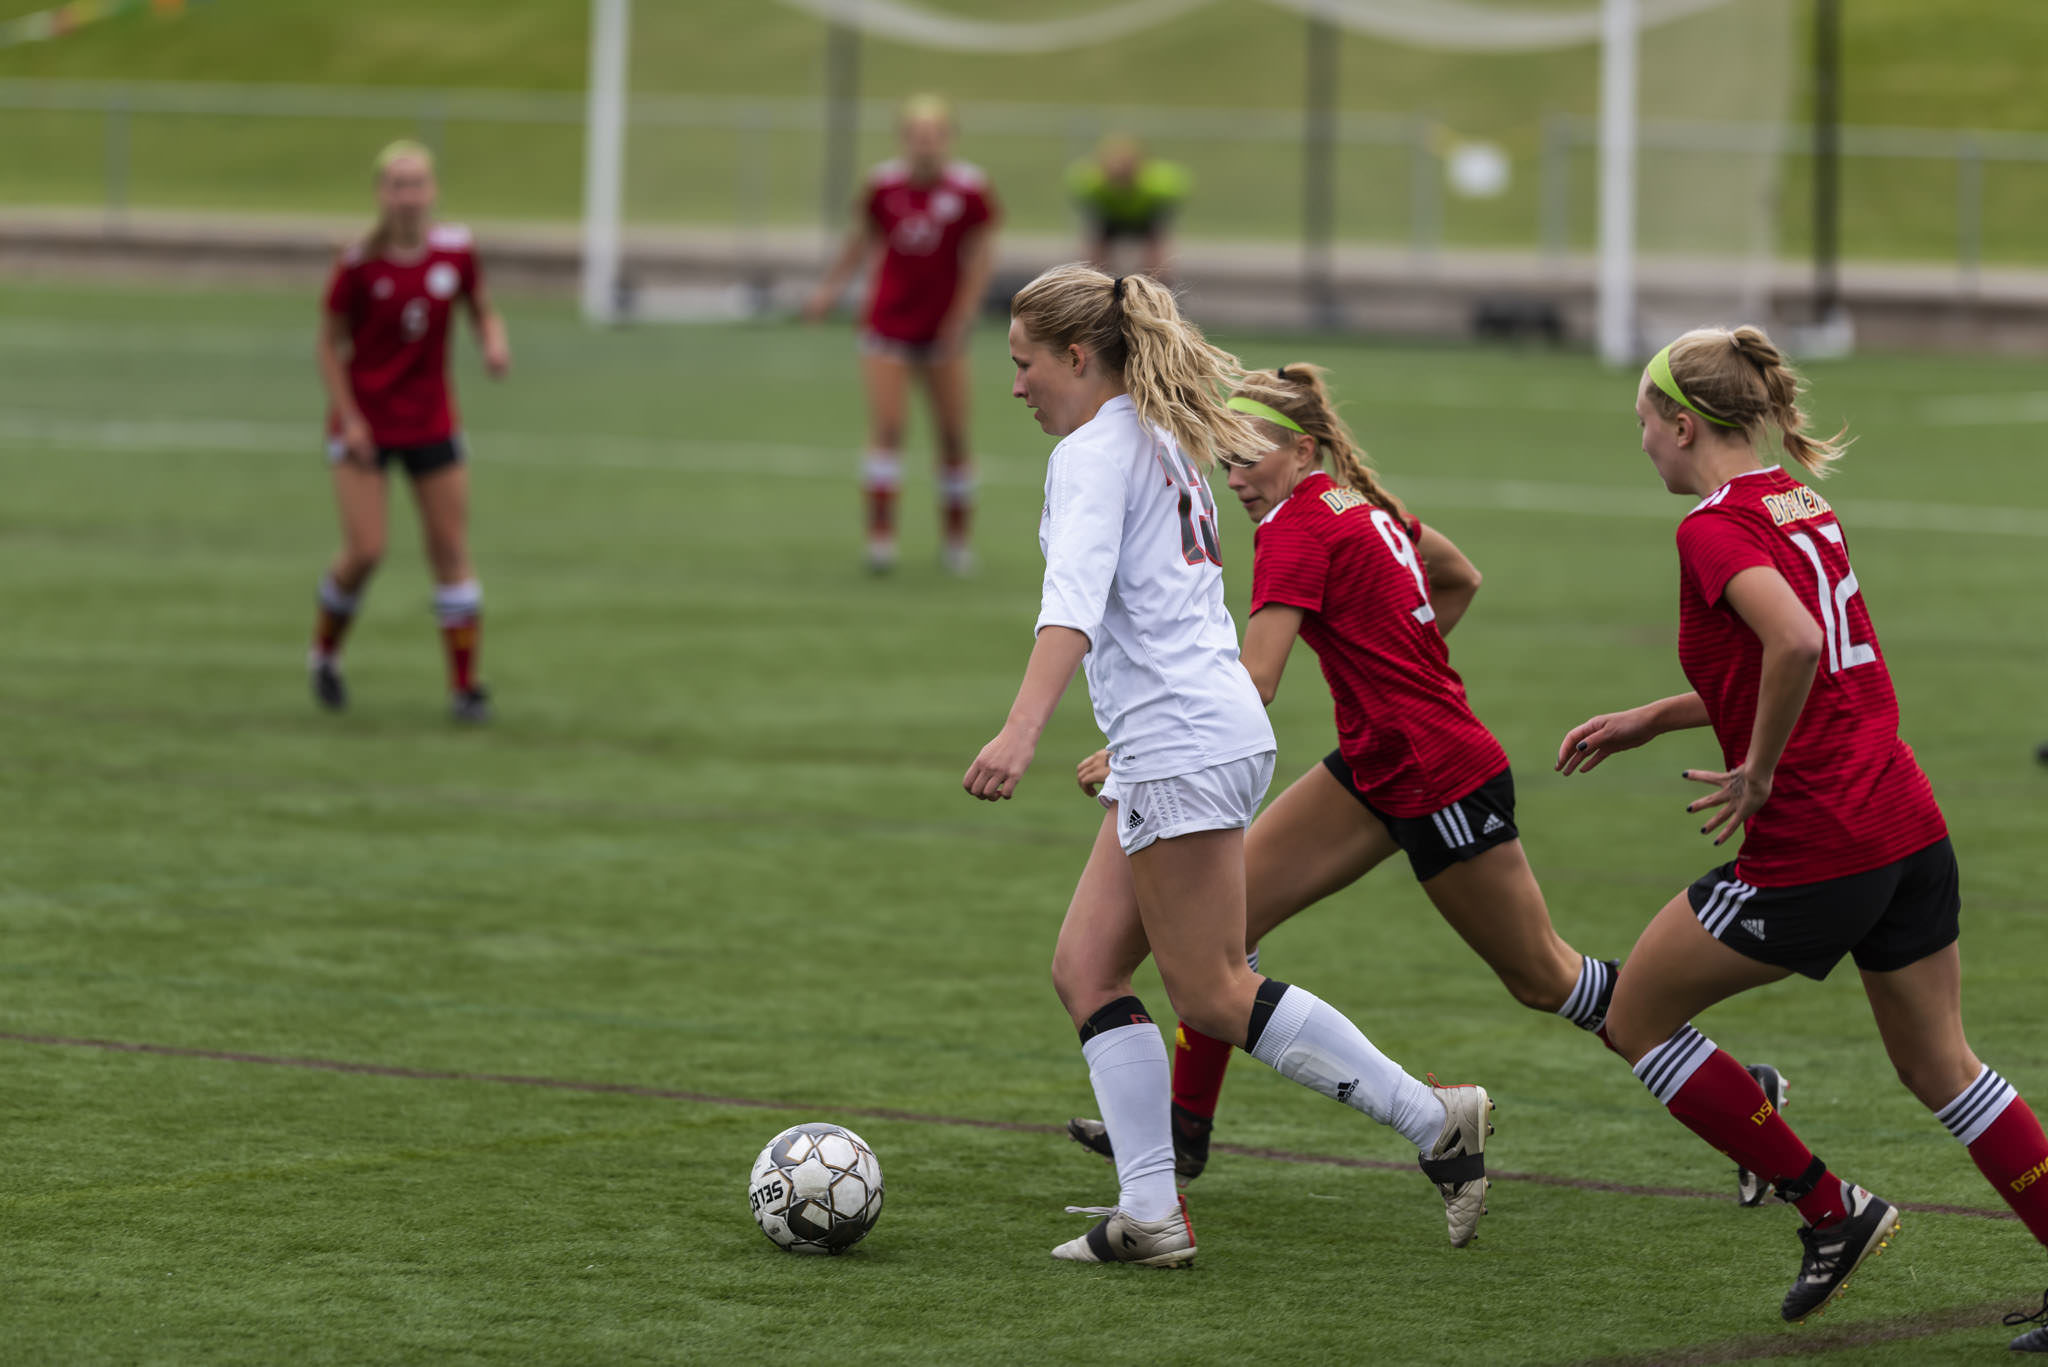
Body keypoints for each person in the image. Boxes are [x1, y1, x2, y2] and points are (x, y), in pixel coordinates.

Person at [963, 264, 1493, 1267]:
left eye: (1023, 362)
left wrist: (1020, 728)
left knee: (1209, 987)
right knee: (1085, 966)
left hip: (1180, 737)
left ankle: (1434, 1119)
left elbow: (1070, 603)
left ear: (1077, 356)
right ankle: (1151, 1212)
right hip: (1190, 730)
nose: (1017, 384)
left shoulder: (1092, 453)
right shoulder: (1159, 434)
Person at [1555, 326, 2048, 1332]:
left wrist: (1757, 771)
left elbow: (1793, 641)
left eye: (1641, 423)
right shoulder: (1796, 498)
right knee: (1939, 1064)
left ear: (1681, 423)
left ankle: (1831, 1209)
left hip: (1819, 842)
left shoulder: (1707, 527)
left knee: (1634, 1019)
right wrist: (1656, 716)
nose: (1641, 441)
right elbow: (1798, 658)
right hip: (1903, 820)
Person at [1065, 362, 1652, 1191]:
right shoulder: (1361, 505)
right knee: (1221, 937)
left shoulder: (1294, 528)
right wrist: (1396, 658)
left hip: (1439, 776)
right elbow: (1460, 576)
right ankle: (1183, 1130)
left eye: (1246, 459)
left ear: (1301, 450)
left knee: (1544, 976)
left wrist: (1137, 751)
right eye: (1224, 462)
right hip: (1376, 765)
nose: (1233, 478)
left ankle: (1713, 1073)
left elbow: (1254, 680)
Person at [312, 139, 509, 722]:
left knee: (450, 550)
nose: (408, 195)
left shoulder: (457, 252)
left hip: (431, 420)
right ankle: (324, 653)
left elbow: (483, 308)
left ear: (434, 191)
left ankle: (465, 688)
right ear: (381, 194)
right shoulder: (355, 264)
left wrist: (493, 343)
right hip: (365, 427)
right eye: (397, 184)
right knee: (367, 551)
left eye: (418, 183)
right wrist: (349, 417)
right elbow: (328, 343)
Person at [806, 94, 998, 575]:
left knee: (953, 435)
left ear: (948, 138)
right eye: (916, 134)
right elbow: (861, 240)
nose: (925, 143)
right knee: (888, 428)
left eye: (934, 134)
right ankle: (881, 540)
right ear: (904, 138)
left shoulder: (970, 190)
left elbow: (979, 257)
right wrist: (830, 290)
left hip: (942, 330)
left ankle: (957, 542)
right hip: (887, 322)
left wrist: (963, 315)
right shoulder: (883, 185)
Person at [1067, 135, 1189, 284]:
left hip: (1144, 218)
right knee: (1095, 250)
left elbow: (1175, 192)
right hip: (1112, 217)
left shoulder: (1155, 184)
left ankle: (1159, 284)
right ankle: (1092, 282)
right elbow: (1083, 196)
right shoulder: (1095, 183)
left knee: (1157, 250)